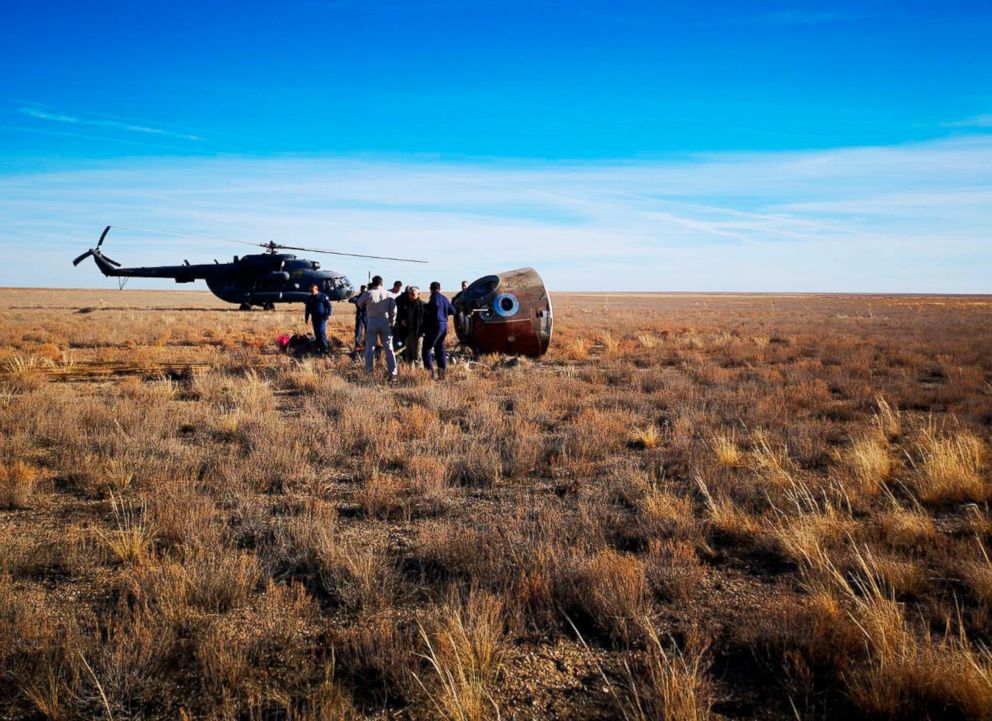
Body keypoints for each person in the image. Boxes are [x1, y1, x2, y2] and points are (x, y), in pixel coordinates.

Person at [358, 275, 398, 380]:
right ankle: (393, 373)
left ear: (373, 282)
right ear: (382, 283)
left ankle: (369, 372)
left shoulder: (368, 293)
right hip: (385, 321)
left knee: (369, 348)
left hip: (372, 320)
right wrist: (392, 322)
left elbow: (359, 302)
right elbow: (394, 310)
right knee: (389, 348)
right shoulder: (388, 294)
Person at [423, 281, 454, 379]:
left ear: (430, 289)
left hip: (435, 326)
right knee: (440, 349)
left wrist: (427, 308)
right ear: (440, 288)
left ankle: (430, 374)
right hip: (444, 325)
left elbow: (435, 305)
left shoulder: (434, 297)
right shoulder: (445, 298)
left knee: (426, 349)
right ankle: (442, 374)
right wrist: (443, 313)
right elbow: (452, 311)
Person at [396, 286, 425, 365]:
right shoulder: (406, 305)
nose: (411, 296)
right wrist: (402, 320)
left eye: (413, 294)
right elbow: (401, 315)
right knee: (409, 356)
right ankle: (410, 373)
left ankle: (419, 374)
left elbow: (426, 321)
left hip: (418, 334)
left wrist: (423, 332)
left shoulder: (423, 306)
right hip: (408, 334)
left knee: (417, 356)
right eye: (410, 294)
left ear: (418, 294)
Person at [304, 283, 333, 354]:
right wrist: (306, 318)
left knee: (321, 331)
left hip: (322, 317)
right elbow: (307, 309)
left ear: (317, 290)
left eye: (313, 291)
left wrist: (329, 314)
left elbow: (329, 306)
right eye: (311, 291)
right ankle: (320, 348)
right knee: (317, 333)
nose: (312, 293)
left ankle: (325, 349)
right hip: (314, 318)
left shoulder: (323, 296)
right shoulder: (310, 298)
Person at [348, 284, 367, 349]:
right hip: (360, 316)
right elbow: (350, 299)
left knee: (368, 332)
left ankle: (367, 345)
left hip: (368, 316)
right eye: (363, 290)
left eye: (365, 291)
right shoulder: (358, 297)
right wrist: (359, 301)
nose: (364, 292)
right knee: (358, 331)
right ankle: (358, 346)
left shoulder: (369, 297)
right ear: (361, 290)